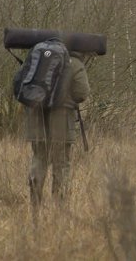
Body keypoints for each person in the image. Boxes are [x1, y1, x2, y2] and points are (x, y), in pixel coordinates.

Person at [26, 50, 90, 209]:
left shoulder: (39, 58)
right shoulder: (74, 63)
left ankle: (34, 202)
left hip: (37, 118)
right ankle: (60, 207)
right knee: (61, 164)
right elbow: (82, 93)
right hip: (62, 120)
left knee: (39, 158)